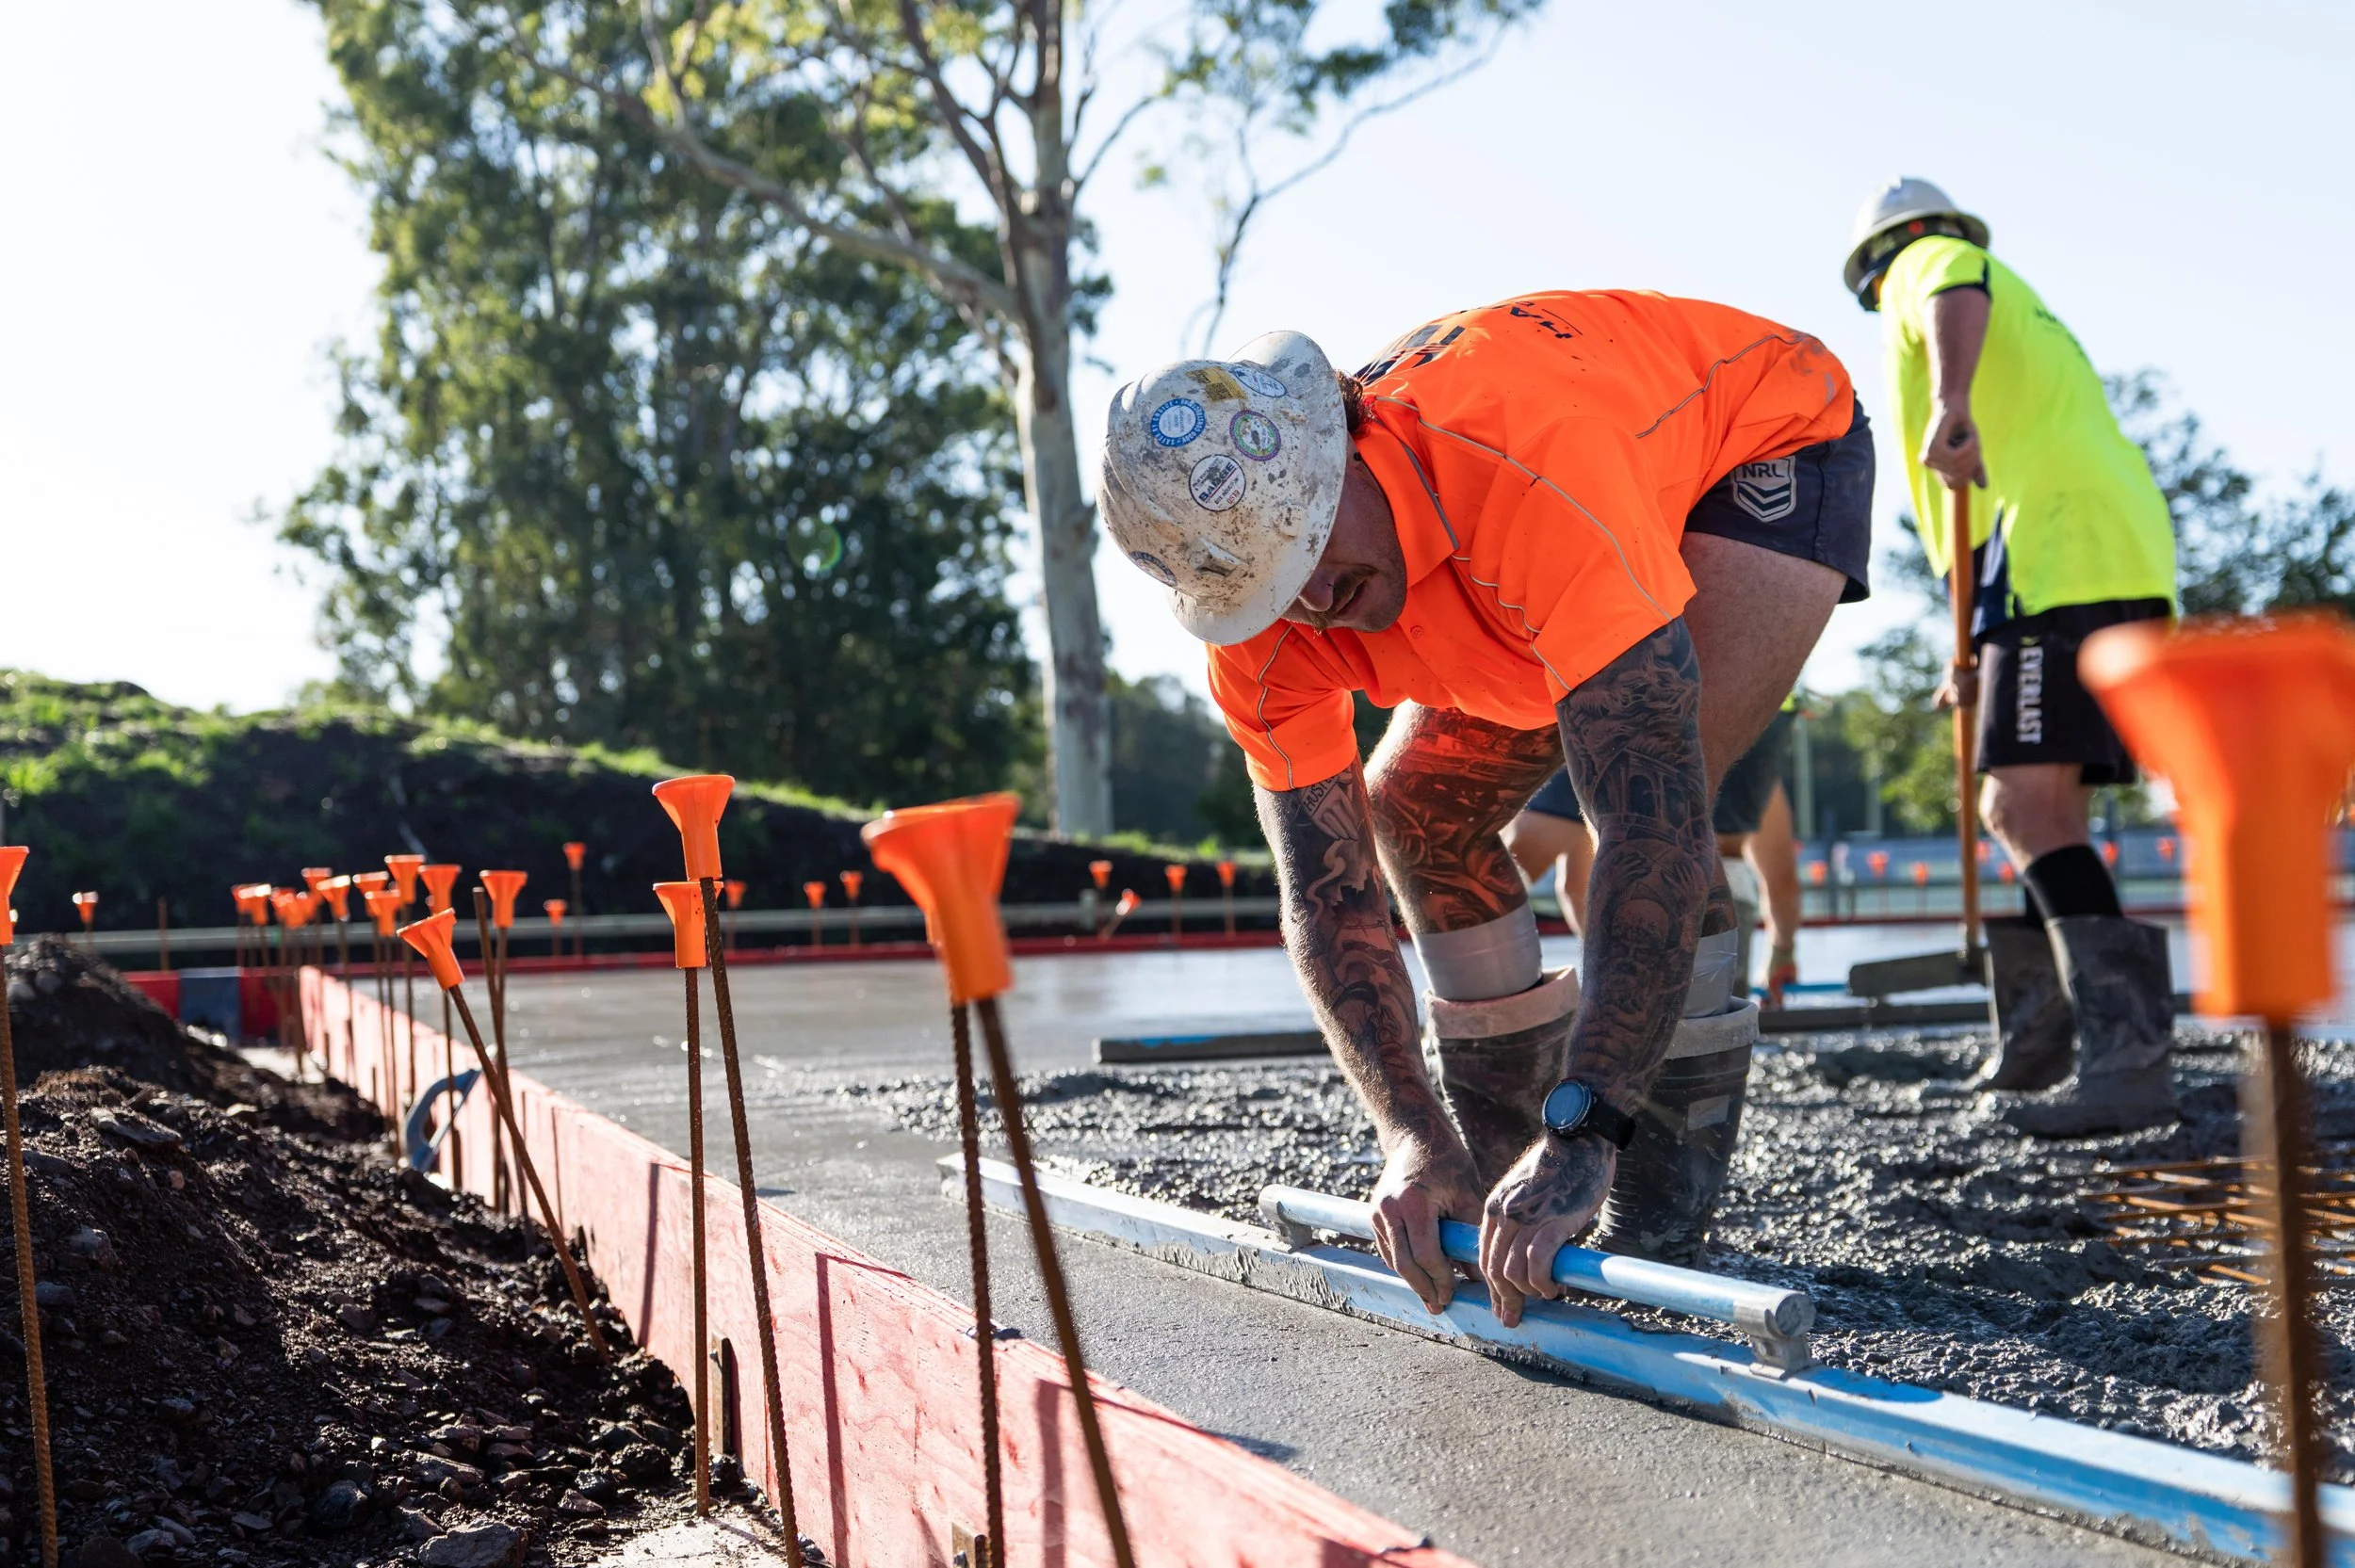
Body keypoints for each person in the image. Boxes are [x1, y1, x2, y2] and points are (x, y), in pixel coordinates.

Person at [1098, 289, 1872, 1326]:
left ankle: (1652, 1208)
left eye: (1314, 552)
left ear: (1347, 452)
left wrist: (1586, 1126)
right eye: (1275, 588)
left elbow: (1654, 835)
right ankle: (1502, 1163)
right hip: (1514, 555)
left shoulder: (1524, 473)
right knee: (1413, 812)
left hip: (1754, 450)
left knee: (1655, 800)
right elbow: (1327, 896)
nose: (1316, 603)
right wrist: (1412, 1133)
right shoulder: (1262, 632)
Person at [1844, 179, 2179, 1136]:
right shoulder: (2025, 306)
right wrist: (1981, 654)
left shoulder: (1928, 264)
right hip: (2084, 553)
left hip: (2054, 555)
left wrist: (1948, 402)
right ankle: (2046, 1044)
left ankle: (2125, 1063)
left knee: (2020, 806)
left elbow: (1947, 284)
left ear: (1873, 268)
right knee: (2047, 804)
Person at [1509, 702, 1806, 1004]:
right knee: (1724, 847)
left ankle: (1623, 994)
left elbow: (1568, 880)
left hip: (1613, 686)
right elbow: (1782, 882)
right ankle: (1710, 1009)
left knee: (1539, 856)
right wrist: (1783, 952)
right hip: (1751, 701)